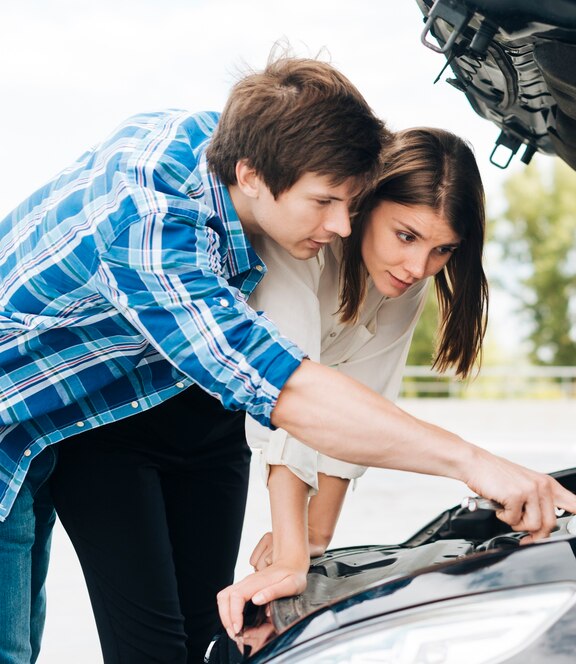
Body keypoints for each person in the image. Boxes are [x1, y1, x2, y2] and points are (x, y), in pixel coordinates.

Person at [0, 53, 576, 664]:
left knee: (164, 638)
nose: (342, 224)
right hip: (17, 423)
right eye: (324, 202)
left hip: (57, 418)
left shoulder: (223, 144)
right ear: (252, 174)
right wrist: (473, 462)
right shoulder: (152, 232)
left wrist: (308, 550)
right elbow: (284, 390)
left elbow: (346, 396)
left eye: (350, 201)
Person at [216, 127, 488, 644]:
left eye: (442, 250)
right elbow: (294, 395)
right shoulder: (303, 245)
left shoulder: (407, 279)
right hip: (180, 414)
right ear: (365, 200)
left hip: (229, 435)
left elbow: (366, 400)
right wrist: (292, 555)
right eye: (405, 235)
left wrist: (315, 539)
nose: (419, 267)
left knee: (210, 623)